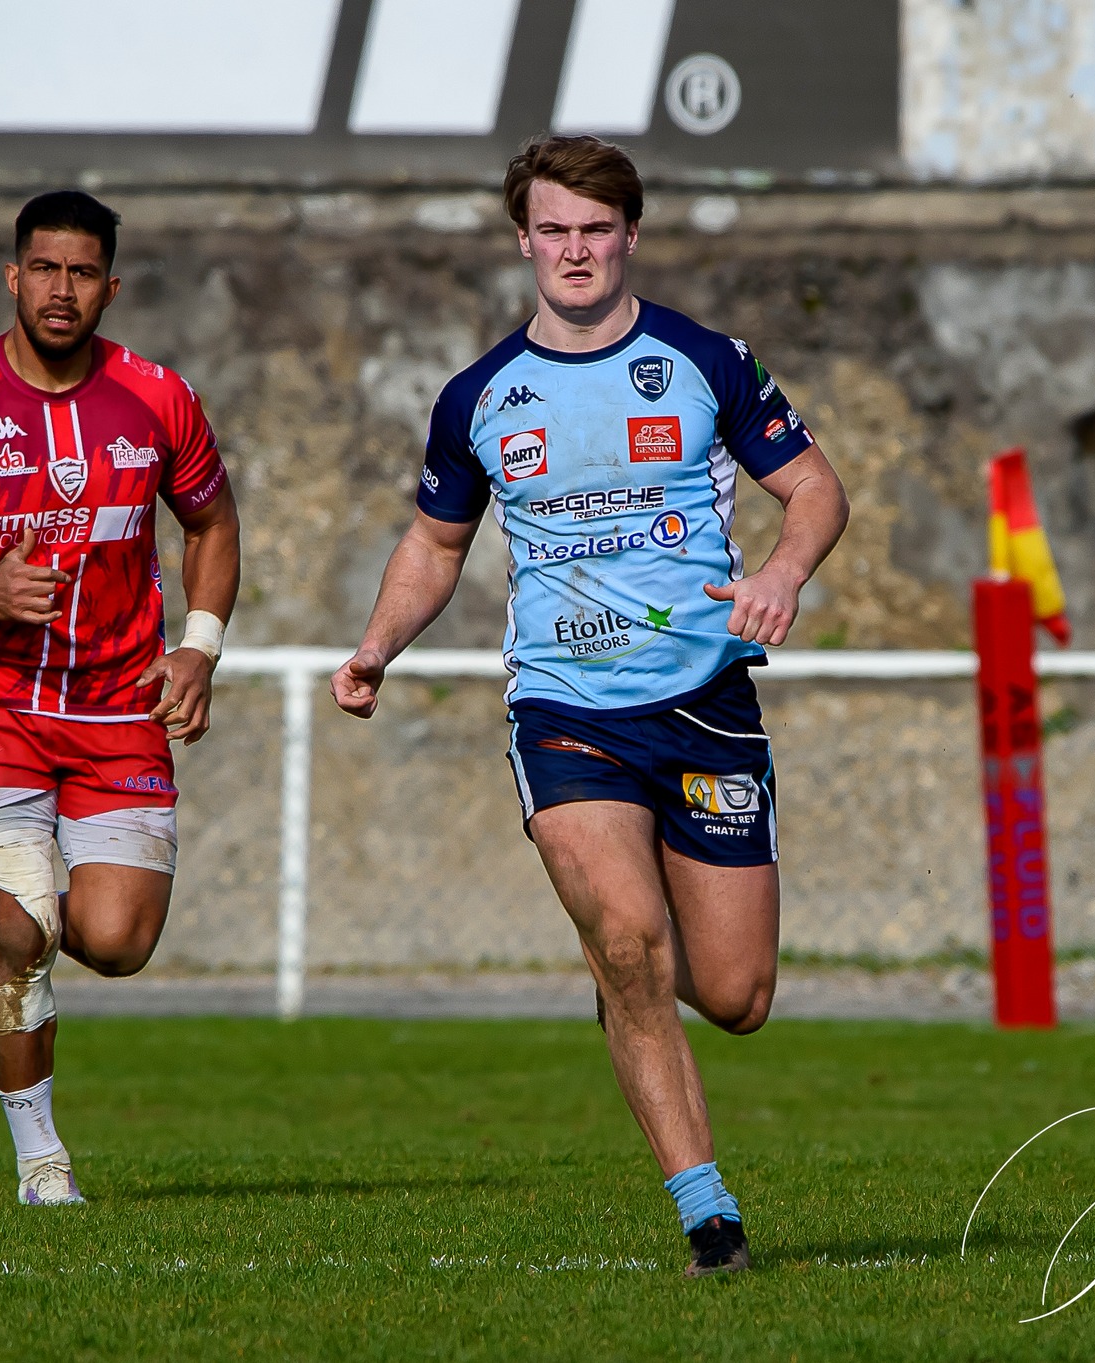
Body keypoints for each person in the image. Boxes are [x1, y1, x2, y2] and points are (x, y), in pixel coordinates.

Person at [330, 136, 849, 1276]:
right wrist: (376, 646)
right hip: (563, 707)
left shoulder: (704, 360)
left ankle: (629, 1008)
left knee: (734, 993)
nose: (574, 250)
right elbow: (434, 540)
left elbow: (812, 486)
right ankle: (707, 1211)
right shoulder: (477, 396)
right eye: (553, 229)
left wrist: (780, 571)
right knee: (625, 940)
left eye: (595, 229)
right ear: (523, 239)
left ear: (628, 237)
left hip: (705, 701)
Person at [0, 191, 240, 1206]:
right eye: (43, 269)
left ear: (108, 286)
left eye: (81, 273)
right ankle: (42, 1162)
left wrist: (197, 648)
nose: (60, 290)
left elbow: (211, 522)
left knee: (116, 941)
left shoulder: (159, 398)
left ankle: (8, 930)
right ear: (11, 276)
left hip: (119, 703)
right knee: (27, 935)